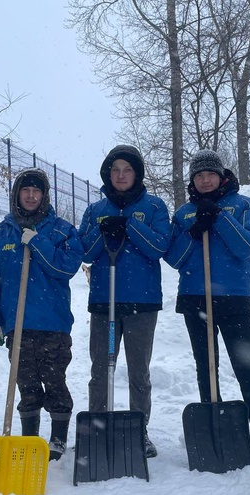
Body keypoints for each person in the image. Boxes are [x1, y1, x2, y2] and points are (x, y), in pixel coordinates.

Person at [165, 150, 250, 477]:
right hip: (195, 300)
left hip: (233, 300)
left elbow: (246, 246)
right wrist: (194, 231)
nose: (205, 179)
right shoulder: (184, 214)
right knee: (207, 366)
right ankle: (214, 427)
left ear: (221, 175)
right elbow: (173, 258)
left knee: (247, 368)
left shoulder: (243, 206)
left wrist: (218, 217)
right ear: (192, 180)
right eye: (199, 175)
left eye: (210, 174)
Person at [0, 168, 83, 460]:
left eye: (36, 191)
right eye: (25, 190)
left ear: (45, 196)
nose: (31, 195)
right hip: (18, 326)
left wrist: (37, 242)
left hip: (53, 324)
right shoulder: (3, 232)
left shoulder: (62, 230)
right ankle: (29, 439)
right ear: (17, 194)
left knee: (54, 381)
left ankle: (58, 439)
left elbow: (65, 268)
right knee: (25, 383)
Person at [78, 145, 171, 458]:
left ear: (136, 174)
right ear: (108, 174)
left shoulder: (155, 207)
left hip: (142, 303)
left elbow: (159, 248)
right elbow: (85, 253)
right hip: (104, 301)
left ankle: (138, 430)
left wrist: (130, 223)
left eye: (127, 170)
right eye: (115, 170)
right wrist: (102, 231)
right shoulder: (94, 210)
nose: (120, 175)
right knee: (100, 369)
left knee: (138, 371)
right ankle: (98, 426)